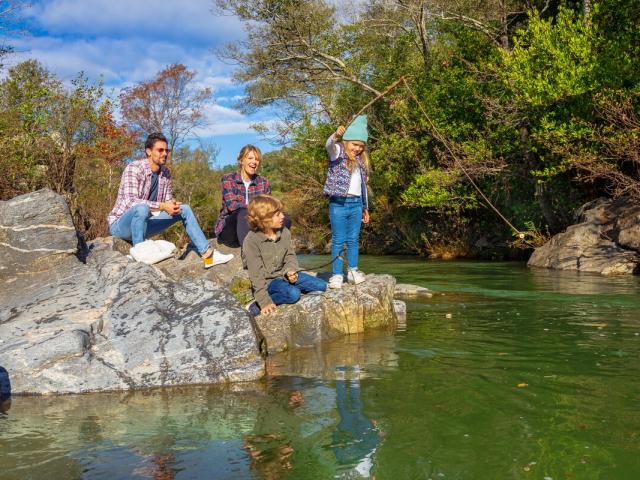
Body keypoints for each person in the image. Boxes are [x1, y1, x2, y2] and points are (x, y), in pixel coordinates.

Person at [108, 132, 233, 268]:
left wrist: (172, 205)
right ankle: (139, 254)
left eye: (166, 150)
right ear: (149, 151)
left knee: (184, 209)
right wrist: (162, 206)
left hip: (146, 223)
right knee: (141, 208)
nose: (165, 153)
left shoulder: (166, 173)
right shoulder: (134, 168)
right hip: (121, 225)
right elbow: (131, 202)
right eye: (160, 150)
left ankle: (208, 255)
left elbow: (167, 201)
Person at [242, 195, 326, 316]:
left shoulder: (284, 232)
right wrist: (264, 301)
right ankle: (257, 303)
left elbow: (290, 256)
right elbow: (256, 275)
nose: (283, 216)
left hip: (285, 276)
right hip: (269, 283)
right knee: (293, 294)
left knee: (321, 285)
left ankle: (286, 290)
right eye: (277, 214)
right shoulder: (251, 241)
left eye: (281, 212)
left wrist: (290, 270)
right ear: (264, 218)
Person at [323, 115, 370, 289]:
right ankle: (336, 274)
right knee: (338, 239)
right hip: (338, 204)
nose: (357, 149)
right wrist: (335, 135)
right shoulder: (338, 153)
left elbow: (362, 187)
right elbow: (328, 144)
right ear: (346, 141)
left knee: (353, 239)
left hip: (356, 204)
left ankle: (352, 270)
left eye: (360, 146)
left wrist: (365, 208)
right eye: (354, 144)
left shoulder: (361, 162)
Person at [215, 145, 290, 247]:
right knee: (242, 212)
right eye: (250, 158)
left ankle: (276, 249)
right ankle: (249, 255)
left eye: (257, 159)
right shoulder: (228, 179)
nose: (254, 162)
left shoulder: (263, 182)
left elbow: (269, 208)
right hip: (230, 231)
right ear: (241, 160)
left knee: (285, 218)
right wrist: (257, 209)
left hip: (256, 227)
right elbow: (232, 206)